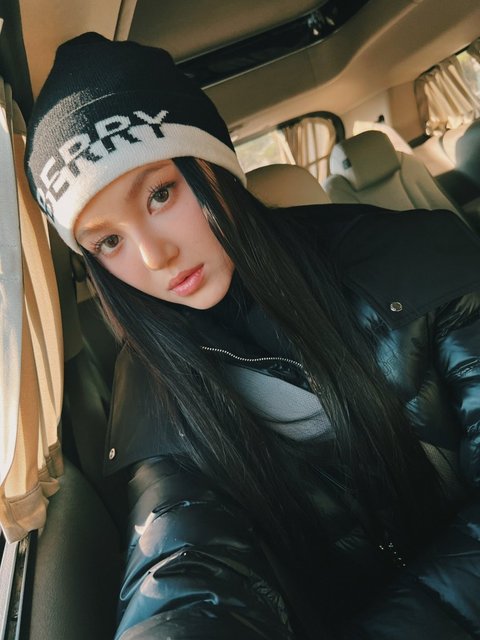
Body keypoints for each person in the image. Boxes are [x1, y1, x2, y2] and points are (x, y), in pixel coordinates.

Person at [25, 33, 480, 640]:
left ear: (214, 165)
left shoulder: (406, 258)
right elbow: (182, 563)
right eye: (108, 241)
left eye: (161, 193)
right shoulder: (149, 385)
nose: (154, 257)